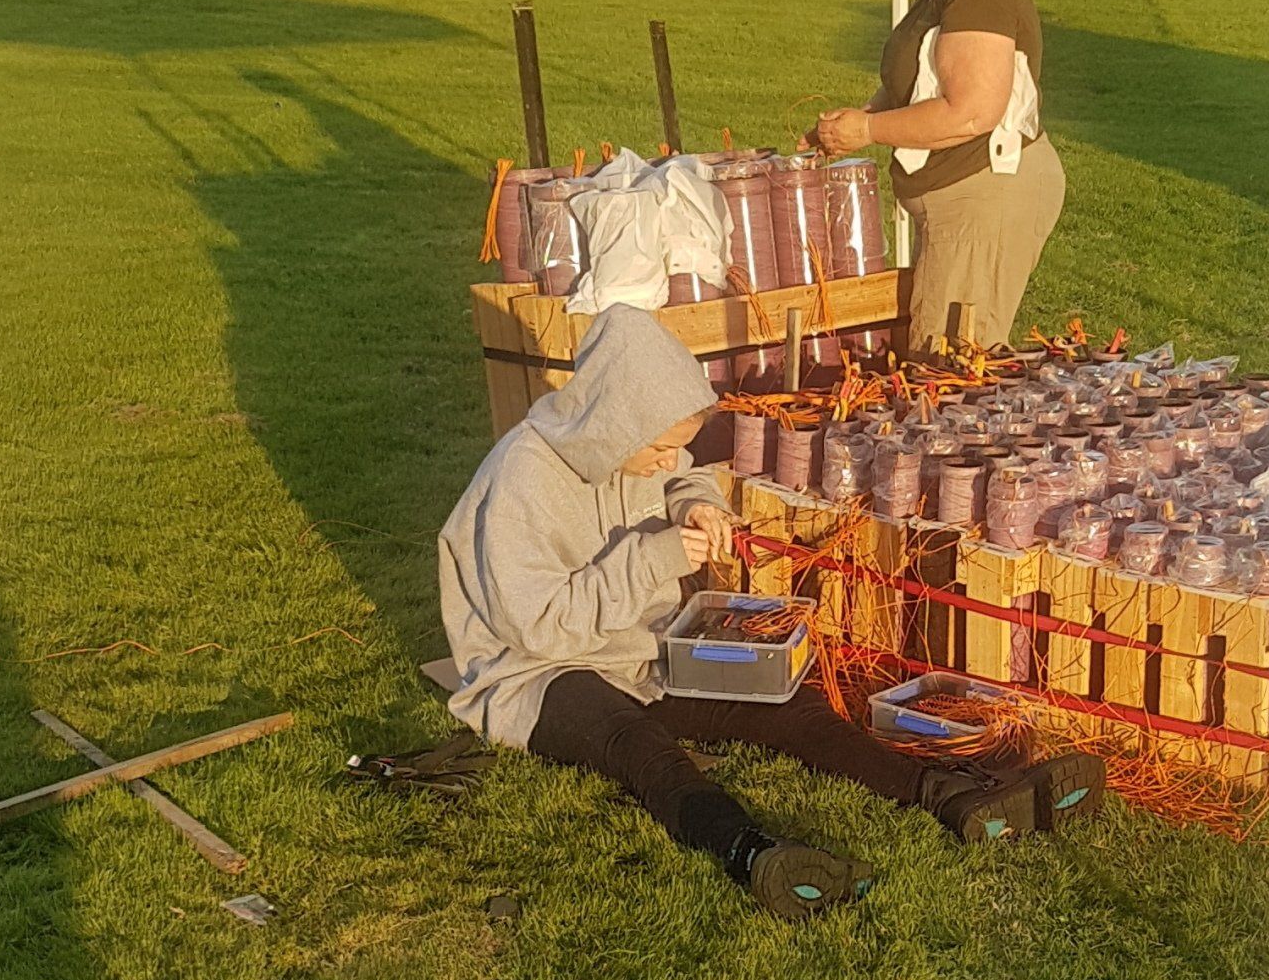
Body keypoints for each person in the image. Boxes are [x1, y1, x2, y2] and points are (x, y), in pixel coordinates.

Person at [438, 309, 1102, 920]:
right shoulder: (522, 478)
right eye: (659, 445)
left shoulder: (629, 443)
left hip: (639, 647)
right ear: (615, 421)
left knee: (782, 699)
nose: (668, 458)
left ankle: (949, 793)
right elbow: (539, 624)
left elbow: (683, 475)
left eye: (675, 444)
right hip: (540, 667)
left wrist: (693, 503)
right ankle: (753, 853)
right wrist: (653, 557)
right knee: (633, 744)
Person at [815, 0, 1064, 349]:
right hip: (964, 200)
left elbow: (970, 112)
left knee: (947, 368)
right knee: (939, 358)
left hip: (983, 200)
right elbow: (922, 78)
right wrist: (860, 117)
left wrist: (868, 129)